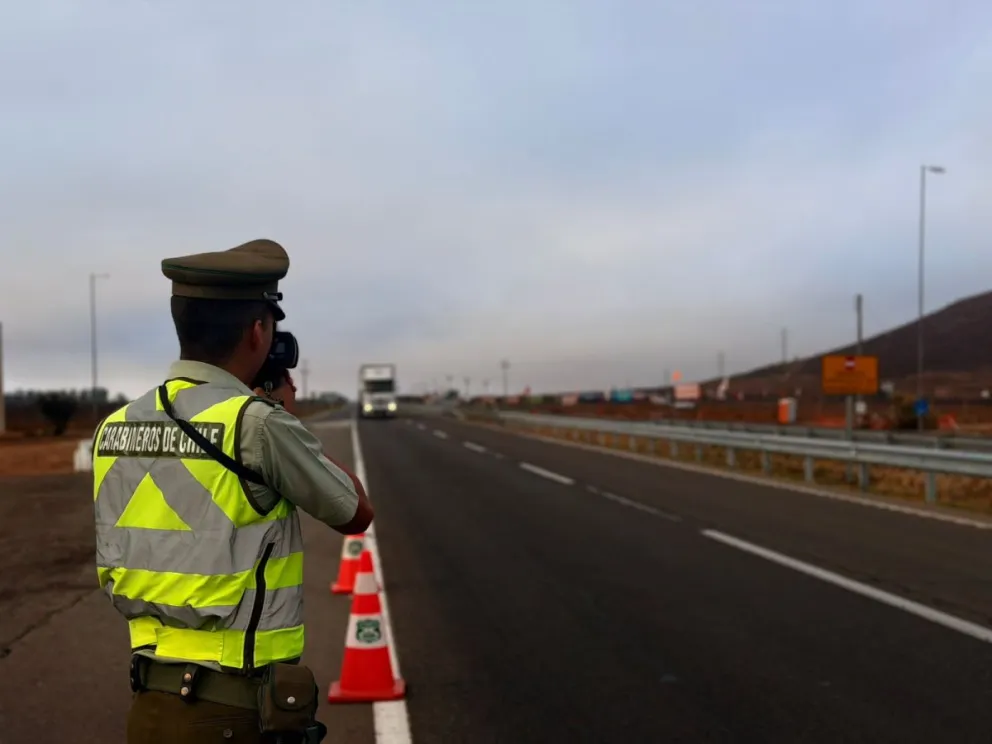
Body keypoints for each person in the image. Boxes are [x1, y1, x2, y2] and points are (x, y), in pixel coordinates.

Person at [91, 238, 374, 743]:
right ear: (258, 330)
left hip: (149, 707)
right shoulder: (257, 425)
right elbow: (353, 511)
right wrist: (283, 414)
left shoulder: (114, 427)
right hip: (232, 715)